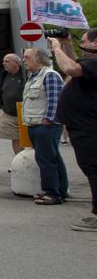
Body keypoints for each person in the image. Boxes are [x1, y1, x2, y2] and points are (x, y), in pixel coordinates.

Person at [51, 30, 97, 230]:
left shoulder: (94, 63)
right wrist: (67, 44)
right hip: (83, 127)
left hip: (89, 128)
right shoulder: (90, 64)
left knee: (94, 171)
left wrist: (56, 47)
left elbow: (70, 68)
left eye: (84, 41)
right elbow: (75, 63)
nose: (82, 44)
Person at [22, 47, 69, 205]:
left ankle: (52, 193)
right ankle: (60, 190)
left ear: (39, 59)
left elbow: (55, 100)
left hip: (46, 126)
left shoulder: (49, 75)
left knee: (46, 160)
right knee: (53, 157)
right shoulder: (34, 77)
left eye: (27, 57)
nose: (24, 60)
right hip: (37, 124)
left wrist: (48, 120)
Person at [0, 54, 26, 155]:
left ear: (16, 63)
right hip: (8, 112)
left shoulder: (25, 75)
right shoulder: (2, 76)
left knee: (27, 139)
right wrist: (0, 107)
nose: (4, 63)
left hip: (24, 112)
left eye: (7, 61)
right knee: (15, 139)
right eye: (3, 61)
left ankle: (28, 161)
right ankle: (18, 161)